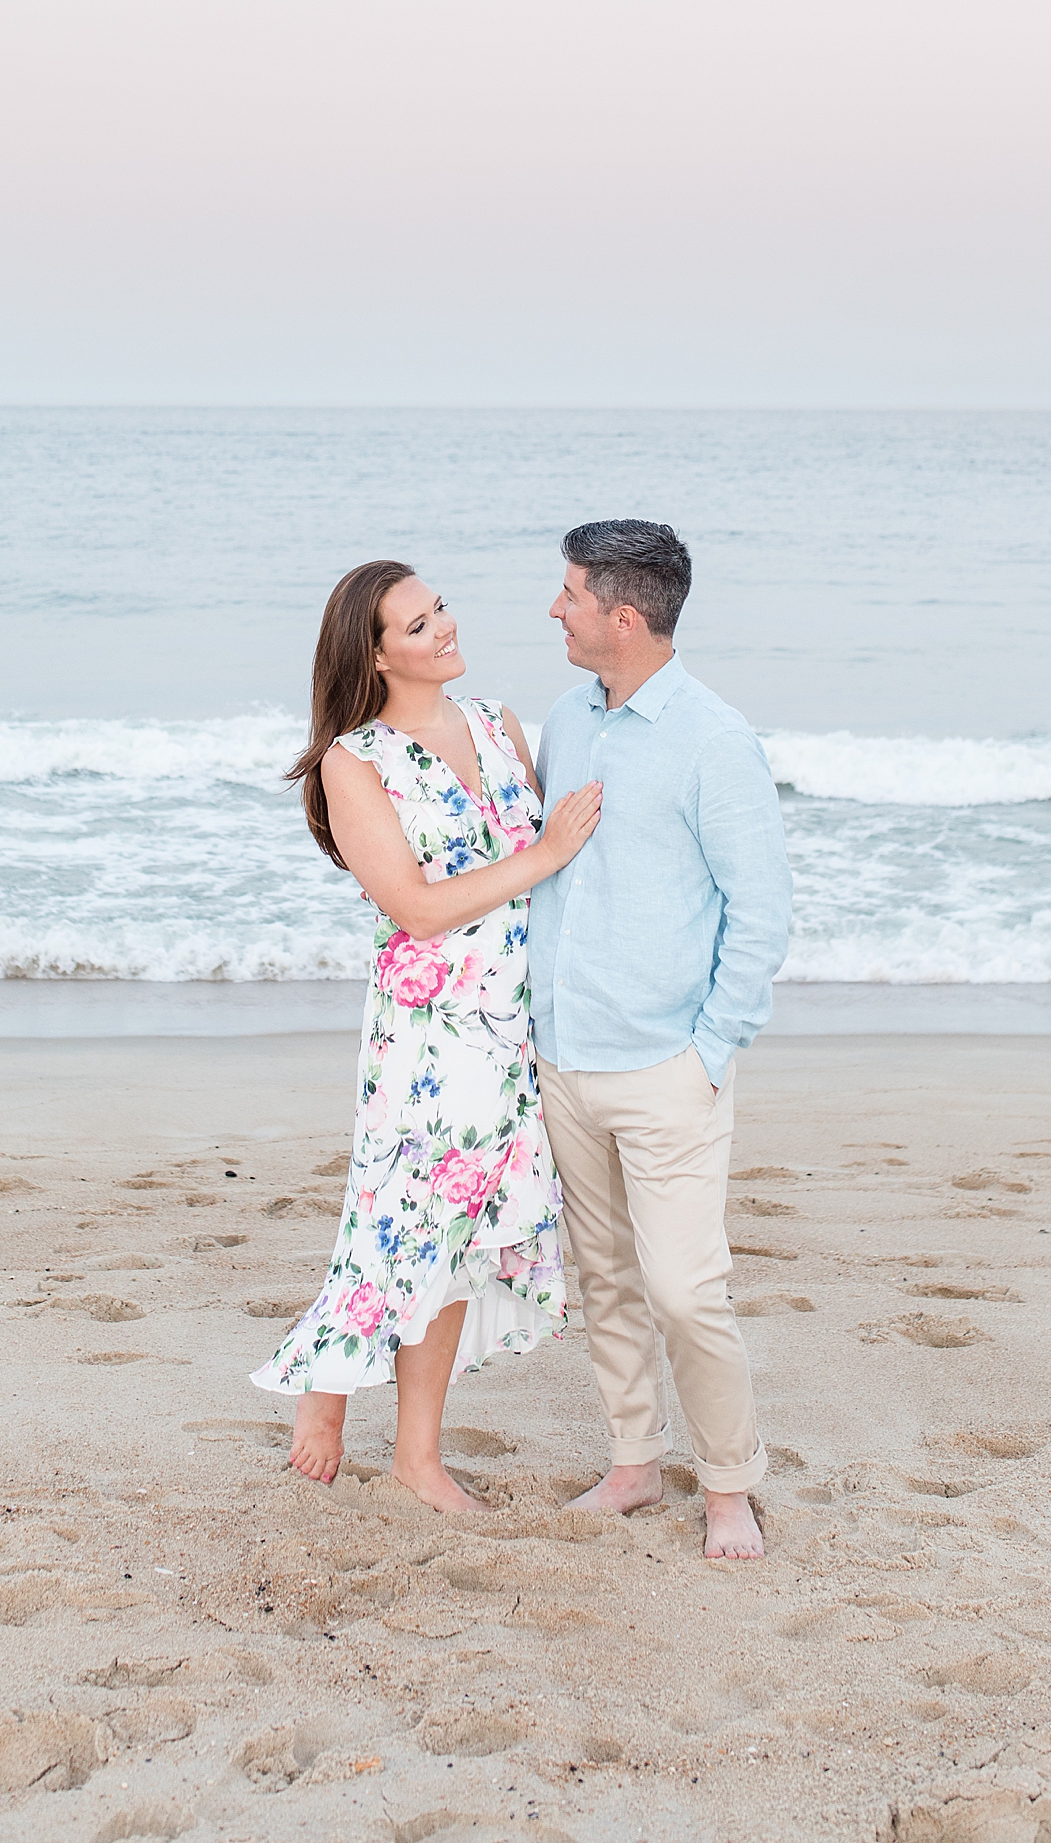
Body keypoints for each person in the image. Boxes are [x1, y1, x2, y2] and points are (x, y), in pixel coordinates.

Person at [253, 558, 602, 1511]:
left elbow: (551, 888)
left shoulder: (497, 725)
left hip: (508, 1029)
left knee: (448, 1234)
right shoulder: (353, 760)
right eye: (416, 625)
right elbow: (412, 907)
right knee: (403, 1223)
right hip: (426, 1037)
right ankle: (346, 1413)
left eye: (439, 607)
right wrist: (544, 854)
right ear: (374, 655)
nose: (444, 628)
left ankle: (400, 1444)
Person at [529, 519, 793, 1561]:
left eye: (568, 596)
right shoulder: (565, 716)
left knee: (686, 1289)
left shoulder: (714, 740)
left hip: (667, 1067)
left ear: (621, 617)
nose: (556, 609)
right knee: (603, 1274)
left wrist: (709, 1047)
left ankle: (729, 1484)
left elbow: (760, 909)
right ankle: (634, 1462)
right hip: (564, 1055)